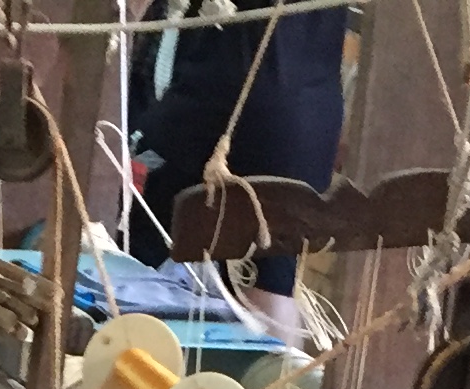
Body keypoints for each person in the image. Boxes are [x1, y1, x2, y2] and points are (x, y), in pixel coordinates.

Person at [125, 0, 353, 337]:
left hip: (226, 89)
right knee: (274, 278)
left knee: (133, 229)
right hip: (309, 108)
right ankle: (276, 372)